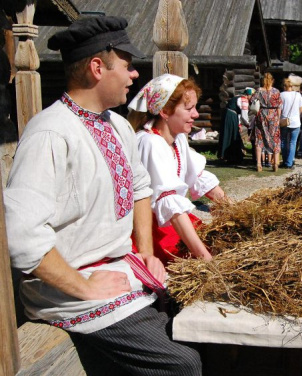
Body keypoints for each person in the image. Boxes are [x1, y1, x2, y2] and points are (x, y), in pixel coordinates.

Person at [4, 16, 202, 375]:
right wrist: (81, 285)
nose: (134, 75)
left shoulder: (117, 126)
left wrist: (144, 253)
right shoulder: (50, 133)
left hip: (121, 270)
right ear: (97, 67)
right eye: (126, 66)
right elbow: (22, 235)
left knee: (199, 329)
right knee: (182, 365)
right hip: (69, 291)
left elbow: (141, 189)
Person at [128, 74, 226, 263]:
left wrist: (236, 211)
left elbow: (197, 176)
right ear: (165, 111)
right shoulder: (150, 143)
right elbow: (170, 203)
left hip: (175, 221)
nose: (196, 114)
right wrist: (206, 260)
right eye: (189, 108)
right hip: (152, 229)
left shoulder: (177, 138)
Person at [250, 72, 282, 172]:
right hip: (273, 115)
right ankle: (275, 163)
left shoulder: (259, 91)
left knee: (259, 139)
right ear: (272, 80)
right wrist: (278, 118)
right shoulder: (276, 91)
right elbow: (279, 106)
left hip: (262, 114)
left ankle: (259, 163)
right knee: (275, 138)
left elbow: (252, 101)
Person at [218, 87, 254, 164]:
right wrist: (248, 125)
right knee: (231, 135)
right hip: (231, 116)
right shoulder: (244, 100)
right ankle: (228, 156)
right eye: (251, 96)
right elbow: (244, 116)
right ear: (249, 95)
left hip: (230, 115)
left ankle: (229, 156)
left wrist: (239, 125)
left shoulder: (238, 97)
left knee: (231, 134)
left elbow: (238, 114)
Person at [279, 78, 302, 169]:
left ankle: (284, 161)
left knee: (284, 141)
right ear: (291, 86)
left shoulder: (281, 95)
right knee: (293, 142)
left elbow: (279, 109)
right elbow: (301, 110)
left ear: (284, 86)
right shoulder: (298, 95)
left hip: (284, 121)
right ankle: (289, 162)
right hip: (295, 121)